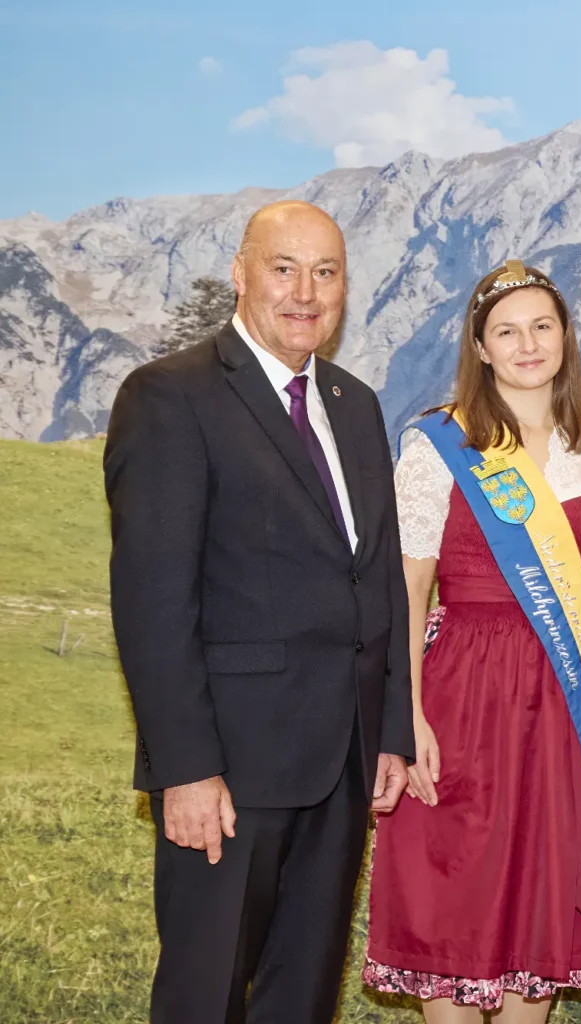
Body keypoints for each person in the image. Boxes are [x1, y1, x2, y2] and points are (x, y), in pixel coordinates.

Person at [103, 199, 414, 1023]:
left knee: (302, 999)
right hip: (230, 772)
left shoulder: (357, 405)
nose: (305, 292)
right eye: (284, 268)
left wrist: (388, 731)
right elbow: (153, 602)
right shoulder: (171, 397)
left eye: (326, 272)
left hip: (341, 766)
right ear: (241, 276)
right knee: (206, 998)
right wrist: (186, 768)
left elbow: (376, 578)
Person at [362, 260, 581, 1023]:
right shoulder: (440, 443)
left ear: (566, 336)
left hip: (561, 696)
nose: (527, 345)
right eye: (506, 332)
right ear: (480, 348)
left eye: (542, 326)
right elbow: (410, 590)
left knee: (540, 883)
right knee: (455, 885)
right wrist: (405, 717)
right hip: (459, 690)